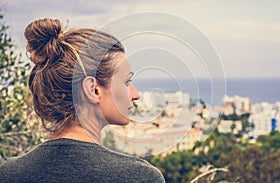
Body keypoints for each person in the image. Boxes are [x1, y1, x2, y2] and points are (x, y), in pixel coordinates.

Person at [0, 18, 165, 182]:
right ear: (93, 90)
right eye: (127, 82)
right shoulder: (139, 177)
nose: (135, 94)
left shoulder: (7, 174)